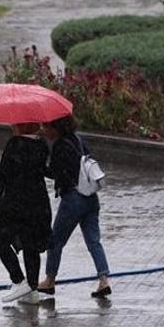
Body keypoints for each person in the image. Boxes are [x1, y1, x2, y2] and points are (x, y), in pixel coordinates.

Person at [39, 116, 111, 298]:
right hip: (91, 198)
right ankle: (104, 280)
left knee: (55, 241)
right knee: (94, 241)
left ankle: (49, 280)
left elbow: (55, 173)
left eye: (45, 127)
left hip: (73, 199)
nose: (43, 130)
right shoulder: (79, 140)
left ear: (56, 128)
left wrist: (39, 166)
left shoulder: (60, 146)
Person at [0, 123, 52, 304]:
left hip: (16, 202)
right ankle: (32, 289)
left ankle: (19, 280)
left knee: (0, 239)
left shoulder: (15, 144)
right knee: (30, 244)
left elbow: (2, 172)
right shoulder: (41, 144)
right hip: (38, 201)